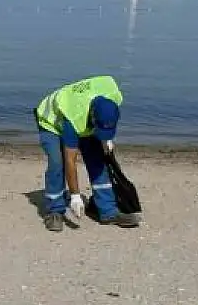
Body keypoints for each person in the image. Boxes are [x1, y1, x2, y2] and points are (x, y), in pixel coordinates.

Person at [33, 75, 142, 231]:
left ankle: (107, 211)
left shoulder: (113, 94)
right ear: (92, 117)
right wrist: (76, 196)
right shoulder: (74, 115)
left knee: (98, 159)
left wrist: (106, 139)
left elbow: (106, 119)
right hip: (51, 123)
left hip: (85, 117)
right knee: (58, 162)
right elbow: (70, 160)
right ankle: (54, 211)